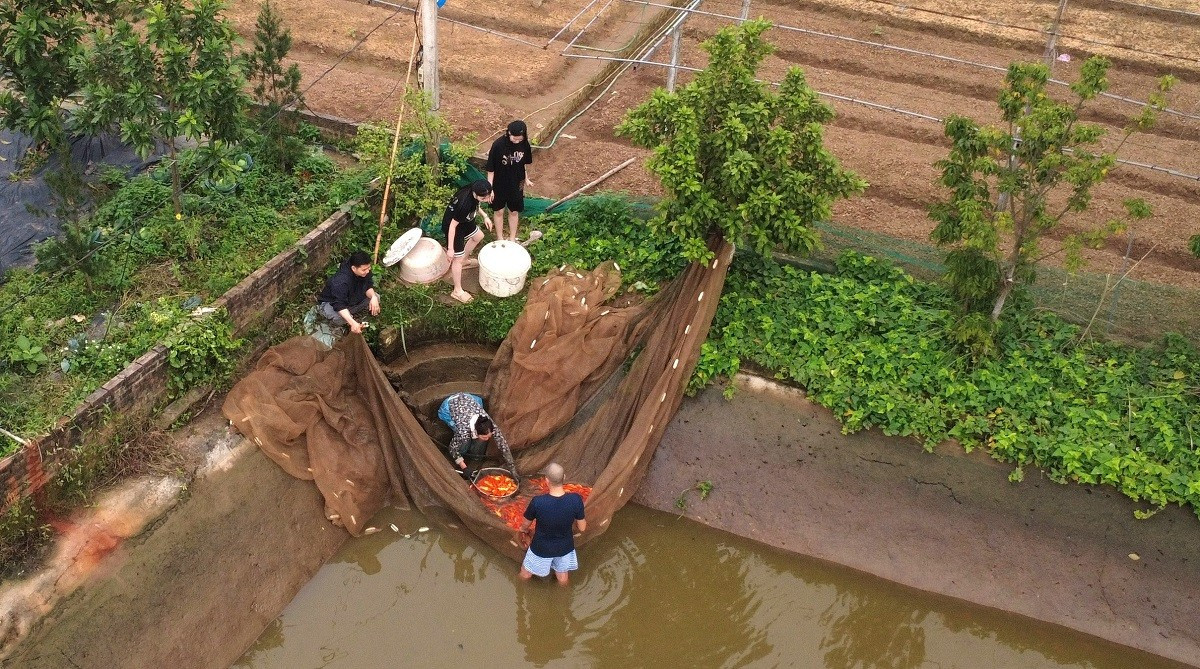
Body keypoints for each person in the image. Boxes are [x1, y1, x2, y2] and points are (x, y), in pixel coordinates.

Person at [518, 463, 586, 585]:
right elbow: (582, 528)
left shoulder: (538, 502)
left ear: (546, 480)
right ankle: (563, 600)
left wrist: (523, 530)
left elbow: (525, 525)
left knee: (525, 573)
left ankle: (520, 594)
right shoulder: (576, 499)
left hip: (541, 548)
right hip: (565, 547)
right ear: (564, 477)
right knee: (563, 576)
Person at [438, 391, 517, 476]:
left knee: (481, 442)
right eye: (484, 437)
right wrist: (464, 467)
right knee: (464, 442)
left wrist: (512, 468)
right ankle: (463, 455)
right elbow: (452, 448)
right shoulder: (463, 431)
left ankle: (476, 458)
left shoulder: (490, 425)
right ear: (476, 432)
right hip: (451, 406)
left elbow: (503, 444)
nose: (487, 439)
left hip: (469, 399)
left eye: (489, 436)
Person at [442, 179, 494, 304]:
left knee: (478, 236)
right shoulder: (464, 204)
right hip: (454, 228)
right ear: (475, 194)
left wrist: (485, 216)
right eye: (484, 198)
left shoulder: (475, 187)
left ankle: (464, 260)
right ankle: (457, 291)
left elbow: (477, 205)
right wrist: (450, 249)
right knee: (456, 259)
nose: (487, 200)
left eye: (488, 197)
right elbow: (452, 226)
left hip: (466, 221)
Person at [486, 120, 534, 243]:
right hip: (499, 183)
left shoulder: (524, 144)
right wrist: (490, 188)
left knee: (513, 211)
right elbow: (491, 169)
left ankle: (512, 239)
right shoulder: (498, 145)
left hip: (517, 182)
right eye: (514, 138)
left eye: (520, 139)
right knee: (499, 211)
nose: (517, 141)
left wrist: (526, 178)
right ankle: (500, 238)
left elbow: (523, 164)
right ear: (508, 133)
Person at [317, 250, 380, 334]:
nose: (368, 271)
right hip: (332, 303)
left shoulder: (365, 271)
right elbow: (338, 304)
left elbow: (368, 286)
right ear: (354, 268)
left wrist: (373, 297)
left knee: (376, 297)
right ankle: (348, 320)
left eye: (369, 268)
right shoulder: (341, 281)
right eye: (364, 269)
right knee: (339, 318)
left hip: (352, 298)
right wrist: (352, 322)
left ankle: (352, 315)